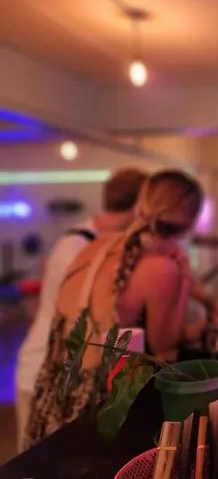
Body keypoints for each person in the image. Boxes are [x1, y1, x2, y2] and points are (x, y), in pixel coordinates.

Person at [22, 169, 204, 450]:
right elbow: (165, 344)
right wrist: (183, 280)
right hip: (93, 410)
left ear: (139, 204)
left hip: (51, 396)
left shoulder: (95, 246)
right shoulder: (161, 269)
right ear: (190, 224)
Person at [15, 167, 148, 450]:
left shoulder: (92, 242)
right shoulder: (79, 247)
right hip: (46, 375)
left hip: (59, 374)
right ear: (139, 206)